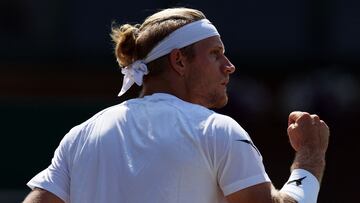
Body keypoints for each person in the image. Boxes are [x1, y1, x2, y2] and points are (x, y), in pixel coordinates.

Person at [23, 7, 329, 203]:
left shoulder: (81, 135)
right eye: (215, 53)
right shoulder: (217, 130)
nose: (229, 65)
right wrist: (310, 156)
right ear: (179, 61)